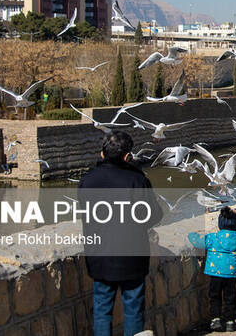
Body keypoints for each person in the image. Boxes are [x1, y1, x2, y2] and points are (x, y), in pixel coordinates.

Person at [78, 131, 164, 336]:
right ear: (127, 156)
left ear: (102, 154)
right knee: (133, 310)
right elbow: (154, 216)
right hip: (132, 257)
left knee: (101, 310)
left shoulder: (87, 181)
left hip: (99, 256)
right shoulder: (137, 180)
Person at [188, 207, 236, 332]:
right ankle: (230, 322)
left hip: (215, 273)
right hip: (231, 274)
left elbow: (198, 242)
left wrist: (191, 233)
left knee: (215, 296)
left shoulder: (212, 238)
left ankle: (216, 319)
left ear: (220, 224)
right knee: (230, 297)